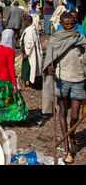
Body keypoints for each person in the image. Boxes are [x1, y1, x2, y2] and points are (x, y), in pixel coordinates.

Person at [42, 11, 86, 163]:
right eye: (66, 24)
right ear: (61, 24)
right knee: (62, 112)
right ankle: (66, 147)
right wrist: (50, 69)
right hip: (62, 79)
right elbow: (49, 61)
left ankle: (71, 136)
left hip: (79, 78)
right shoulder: (55, 40)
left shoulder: (81, 38)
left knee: (75, 115)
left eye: (72, 24)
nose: (69, 26)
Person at [0, 29, 29, 123]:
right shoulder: (10, 51)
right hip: (5, 80)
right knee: (8, 100)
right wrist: (14, 85)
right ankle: (11, 116)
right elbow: (11, 69)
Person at [20, 15, 43, 88]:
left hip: (28, 53)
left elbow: (29, 43)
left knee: (26, 69)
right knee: (31, 68)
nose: (24, 23)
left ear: (27, 22)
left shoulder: (30, 30)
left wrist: (27, 53)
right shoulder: (33, 29)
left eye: (24, 21)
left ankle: (25, 84)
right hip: (30, 52)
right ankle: (30, 84)